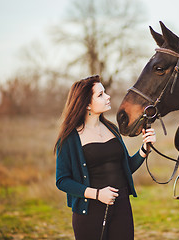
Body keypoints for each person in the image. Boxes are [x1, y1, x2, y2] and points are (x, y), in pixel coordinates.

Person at [54, 75, 156, 240]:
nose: (107, 96)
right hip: (90, 210)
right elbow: (62, 180)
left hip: (122, 205)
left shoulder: (112, 129)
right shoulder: (69, 138)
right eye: (100, 95)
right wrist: (97, 194)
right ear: (86, 103)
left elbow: (125, 167)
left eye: (105, 93)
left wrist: (145, 148)